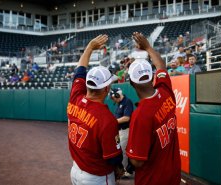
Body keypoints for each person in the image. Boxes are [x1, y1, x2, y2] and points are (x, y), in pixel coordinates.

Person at [67, 35, 124, 185]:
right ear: (106, 88)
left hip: (75, 170)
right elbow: (113, 157)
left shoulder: (75, 97)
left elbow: (80, 70)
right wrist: (119, 167)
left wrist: (89, 48)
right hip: (96, 178)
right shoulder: (106, 119)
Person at [126, 32, 181, 185]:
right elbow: (161, 65)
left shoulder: (140, 115)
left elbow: (137, 162)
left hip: (152, 180)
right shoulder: (165, 91)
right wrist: (148, 47)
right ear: (151, 76)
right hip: (173, 174)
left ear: (131, 82)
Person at [109, 87, 134, 178]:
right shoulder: (119, 103)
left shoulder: (127, 102)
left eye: (113, 97)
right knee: (119, 150)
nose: (113, 100)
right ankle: (122, 170)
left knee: (123, 151)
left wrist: (113, 122)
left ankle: (126, 171)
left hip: (125, 130)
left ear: (117, 94)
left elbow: (127, 118)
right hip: (119, 131)